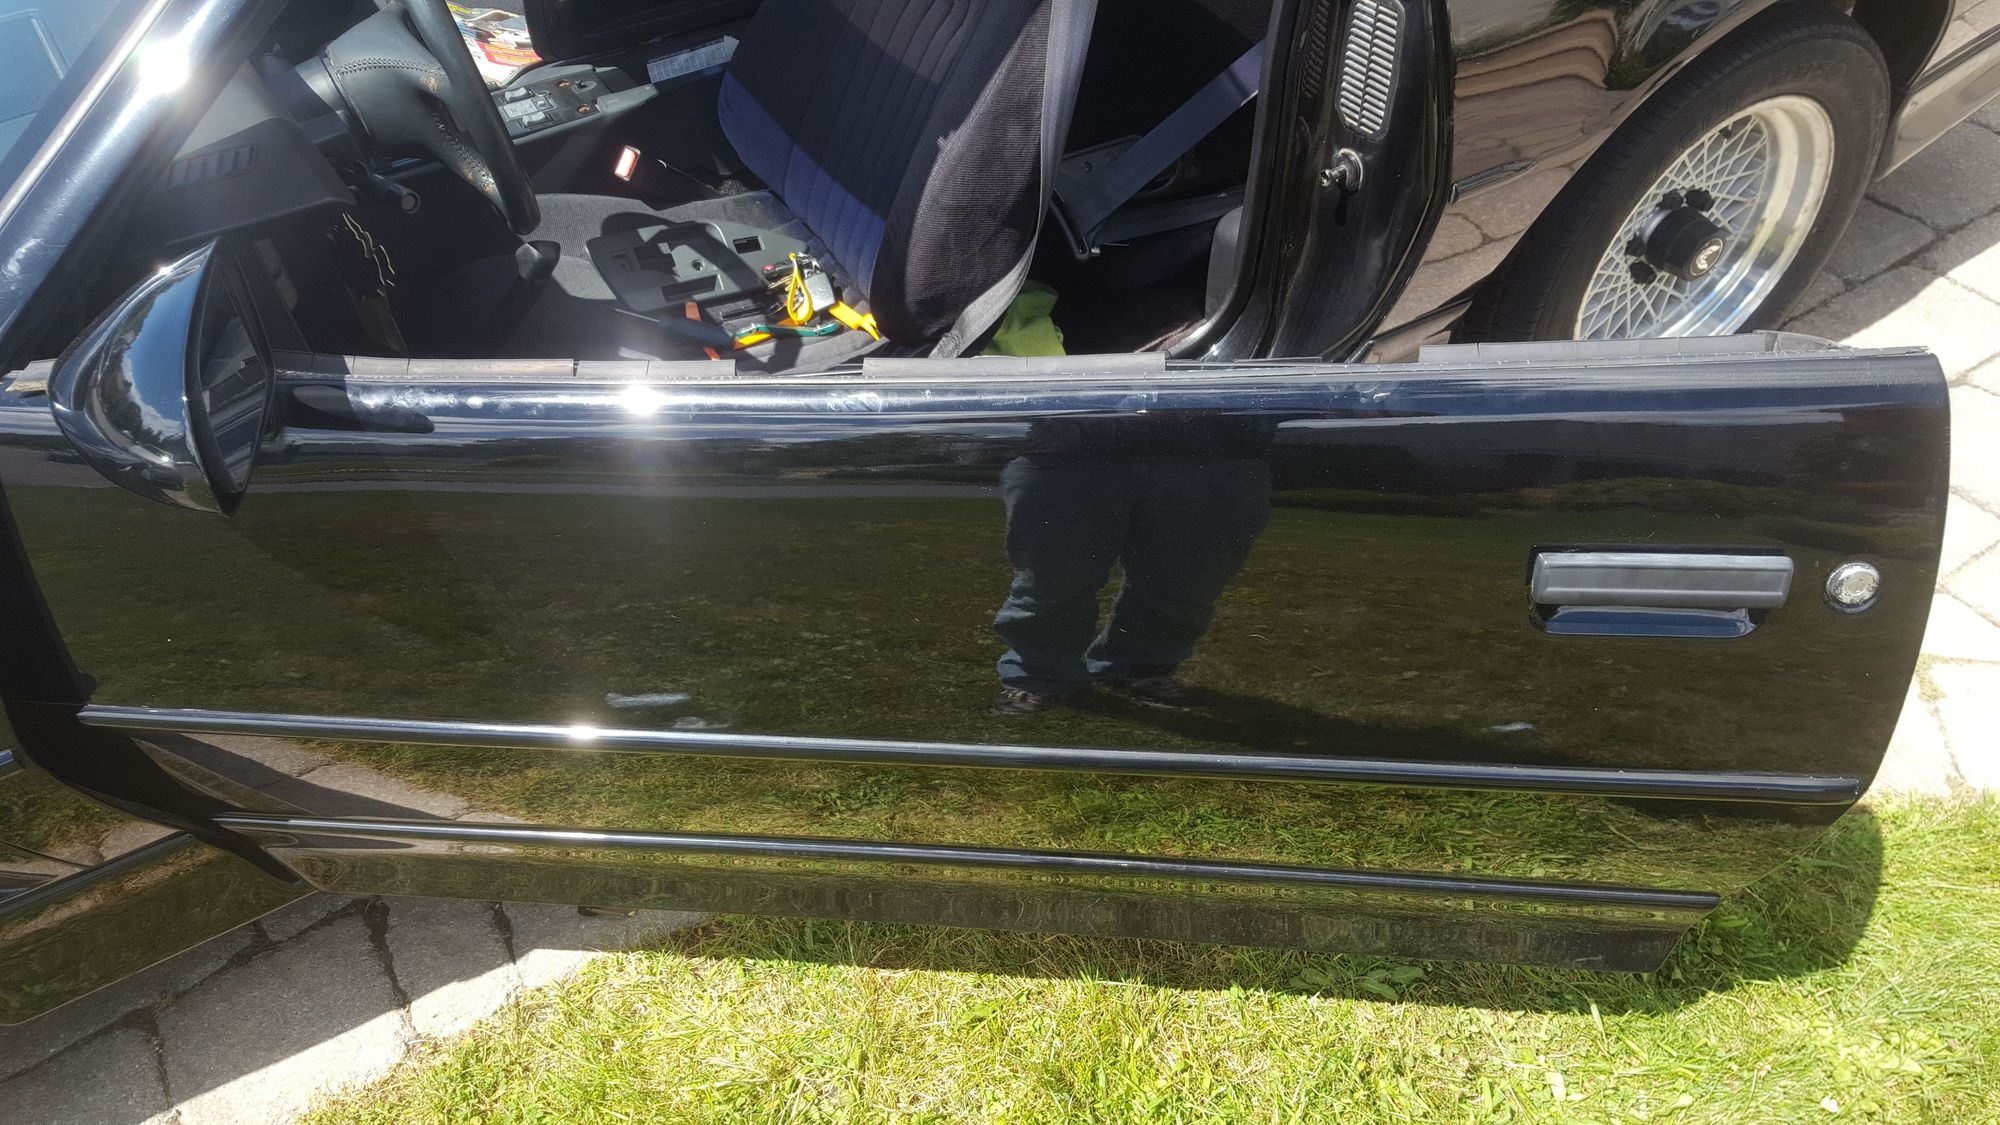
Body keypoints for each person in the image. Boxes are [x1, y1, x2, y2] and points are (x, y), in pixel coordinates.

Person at [991, 412, 1275, 713]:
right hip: (1068, 446)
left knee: (1186, 583)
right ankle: (1038, 674)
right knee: (1052, 580)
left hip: (1216, 449)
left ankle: (1141, 669)